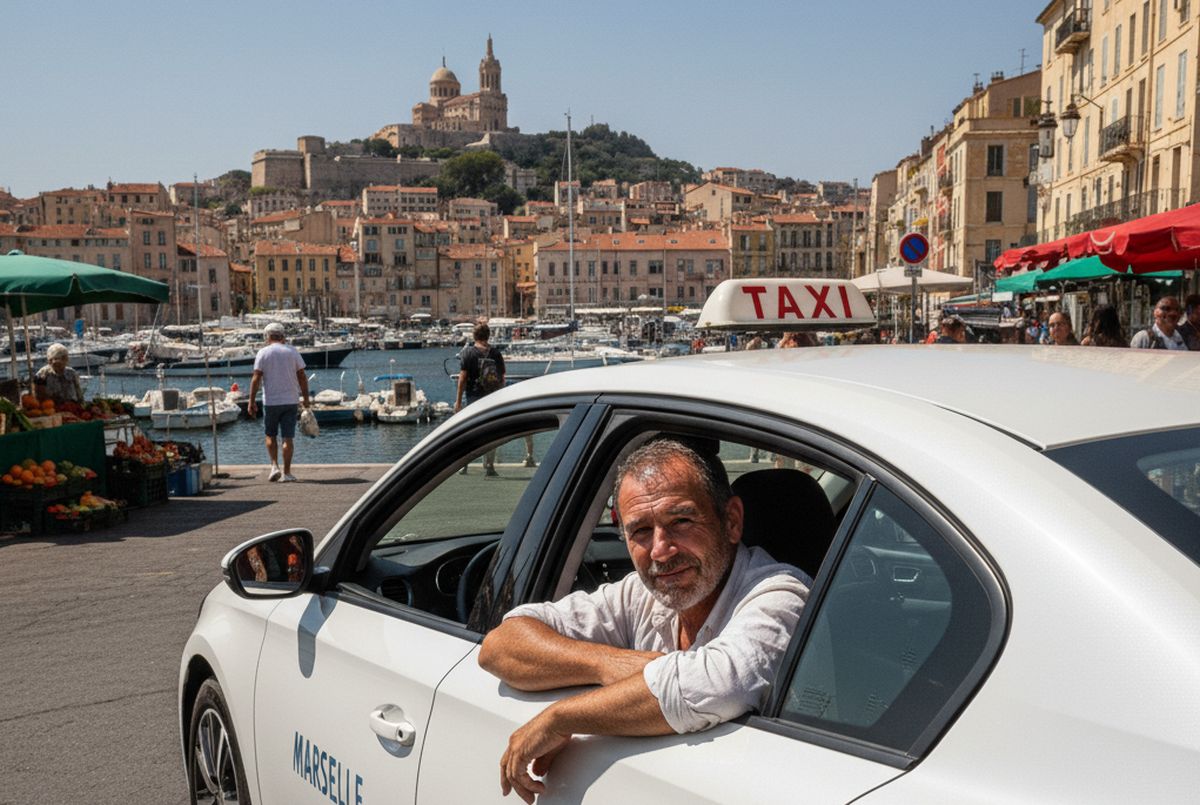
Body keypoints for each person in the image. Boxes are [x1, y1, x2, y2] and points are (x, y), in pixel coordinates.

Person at [478, 439, 810, 803]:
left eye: (681, 521)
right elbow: (500, 645)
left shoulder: (781, 593)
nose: (660, 551)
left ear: (731, 521)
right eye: (640, 531)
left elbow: (718, 683)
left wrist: (560, 718)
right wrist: (610, 665)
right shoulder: (639, 593)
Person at [246, 323, 311, 483]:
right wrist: (306, 399)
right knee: (288, 438)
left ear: (267, 336)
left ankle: (274, 466)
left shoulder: (263, 353)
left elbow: (256, 378)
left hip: (271, 402)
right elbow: (302, 376)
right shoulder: (292, 351)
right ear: (283, 336)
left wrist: (251, 401)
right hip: (290, 401)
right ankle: (287, 473)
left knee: (270, 435)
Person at [455, 322, 506, 476]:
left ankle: (464, 464)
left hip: (474, 397)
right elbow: (502, 378)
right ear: (488, 336)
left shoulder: (468, 353)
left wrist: (458, 401)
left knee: (470, 431)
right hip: (492, 397)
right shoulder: (495, 353)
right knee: (491, 432)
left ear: (474, 336)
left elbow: (463, 378)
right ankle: (490, 466)